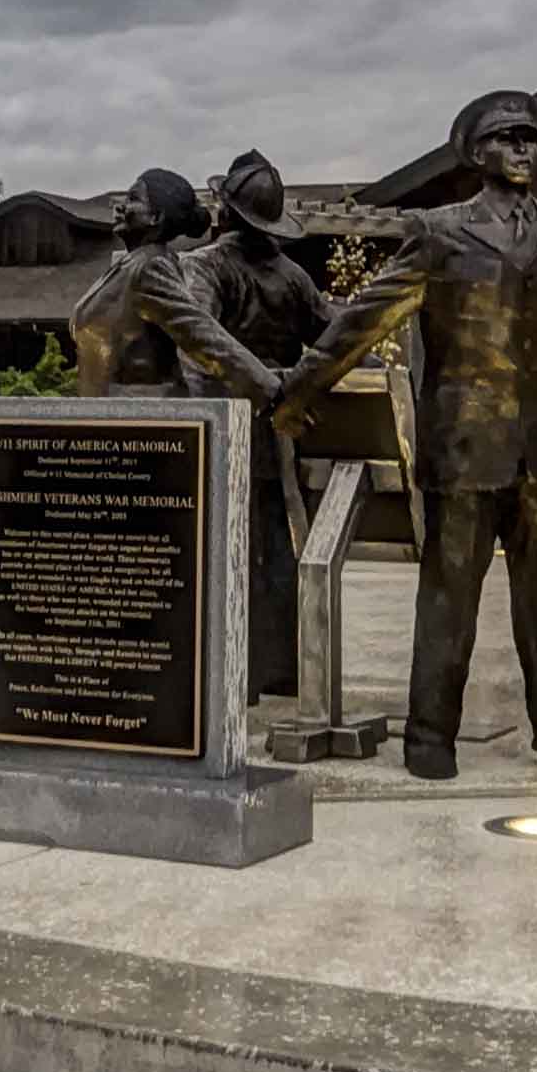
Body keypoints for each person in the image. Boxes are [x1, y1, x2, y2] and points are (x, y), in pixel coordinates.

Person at [273, 91, 537, 777]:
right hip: (463, 448)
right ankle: (430, 736)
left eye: (530, 136)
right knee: (448, 600)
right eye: (506, 137)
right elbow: (367, 317)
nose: (523, 147)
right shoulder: (437, 232)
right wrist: (302, 388)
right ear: (476, 152)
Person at [199, 148, 332, 695]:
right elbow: (333, 343)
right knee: (278, 549)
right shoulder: (295, 276)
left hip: (230, 435)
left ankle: (239, 674)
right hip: (284, 439)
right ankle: (276, 671)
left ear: (226, 211)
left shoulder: (205, 266)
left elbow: (196, 341)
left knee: (234, 555)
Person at [68, 167, 279, 408]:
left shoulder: (150, 267)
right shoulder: (130, 263)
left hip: (142, 419)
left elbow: (202, 334)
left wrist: (272, 391)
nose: (120, 206)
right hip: (108, 414)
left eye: (133, 199)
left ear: (155, 217)